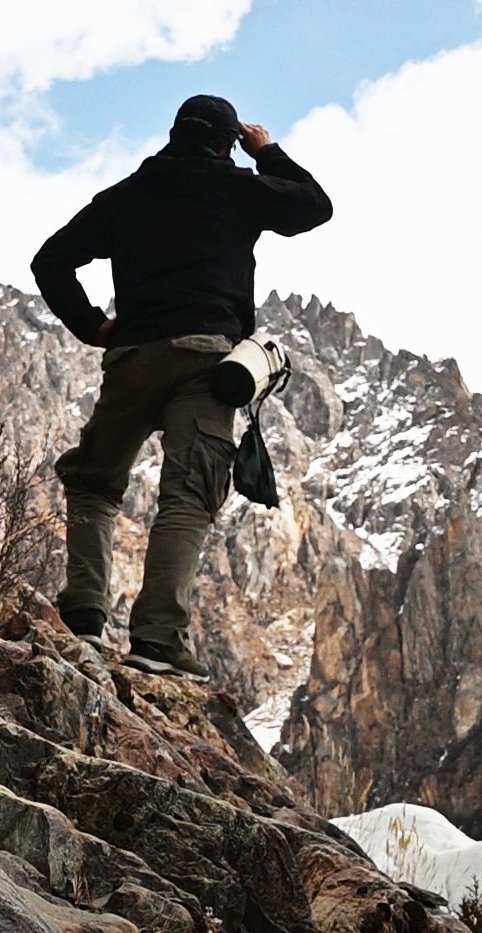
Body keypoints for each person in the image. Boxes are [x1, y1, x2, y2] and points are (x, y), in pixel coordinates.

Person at [30, 94, 332, 675]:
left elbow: (51, 260)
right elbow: (313, 207)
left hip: (134, 354)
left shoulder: (126, 196)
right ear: (227, 142)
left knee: (95, 484)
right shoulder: (239, 189)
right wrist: (267, 152)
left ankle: (85, 620)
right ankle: (157, 640)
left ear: (171, 135)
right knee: (188, 496)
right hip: (209, 361)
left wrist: (92, 324)